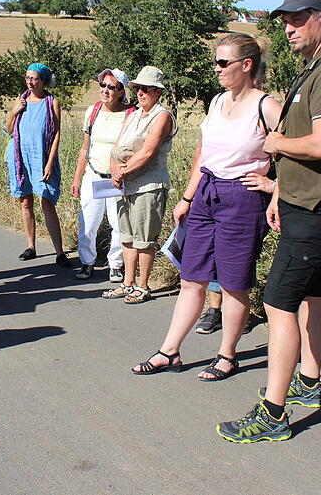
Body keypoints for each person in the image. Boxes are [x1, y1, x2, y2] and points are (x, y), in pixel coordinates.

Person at [217, 0, 321, 443]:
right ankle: (308, 382)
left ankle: (273, 414)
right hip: (305, 201)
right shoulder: (312, 70)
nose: (289, 27)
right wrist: (281, 188)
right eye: (285, 19)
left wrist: (276, 145)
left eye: (299, 18)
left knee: (277, 302)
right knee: (311, 295)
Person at [131, 34, 281, 379]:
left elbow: (292, 150)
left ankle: (227, 356)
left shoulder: (266, 106)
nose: (216, 69)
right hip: (207, 195)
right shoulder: (217, 102)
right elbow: (204, 154)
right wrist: (187, 198)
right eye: (216, 62)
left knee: (233, 283)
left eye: (223, 62)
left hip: (243, 199)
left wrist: (275, 186)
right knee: (191, 278)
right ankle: (169, 352)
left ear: (246, 65)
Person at [107, 66, 177, 303]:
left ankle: (143, 285)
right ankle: (128, 283)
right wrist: (114, 170)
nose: (140, 93)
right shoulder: (133, 114)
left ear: (158, 92)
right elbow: (116, 147)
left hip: (149, 184)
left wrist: (122, 171)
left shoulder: (162, 116)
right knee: (126, 235)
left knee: (144, 237)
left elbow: (148, 151)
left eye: (146, 89)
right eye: (137, 88)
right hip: (125, 184)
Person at [4, 63, 70, 268]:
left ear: (43, 80)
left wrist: (50, 162)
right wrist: (14, 111)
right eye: (27, 78)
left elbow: (57, 133)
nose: (30, 82)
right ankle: (31, 246)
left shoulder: (52, 102)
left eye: (34, 78)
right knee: (25, 201)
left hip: (41, 158)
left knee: (46, 202)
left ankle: (59, 252)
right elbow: (8, 130)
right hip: (20, 157)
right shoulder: (21, 100)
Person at [70, 69, 132, 282]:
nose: (105, 90)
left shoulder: (130, 114)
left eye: (111, 87)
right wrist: (77, 177)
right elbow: (85, 147)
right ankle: (87, 263)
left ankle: (115, 265)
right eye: (103, 85)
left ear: (121, 90)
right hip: (94, 175)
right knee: (88, 221)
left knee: (118, 224)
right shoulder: (93, 111)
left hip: (117, 179)